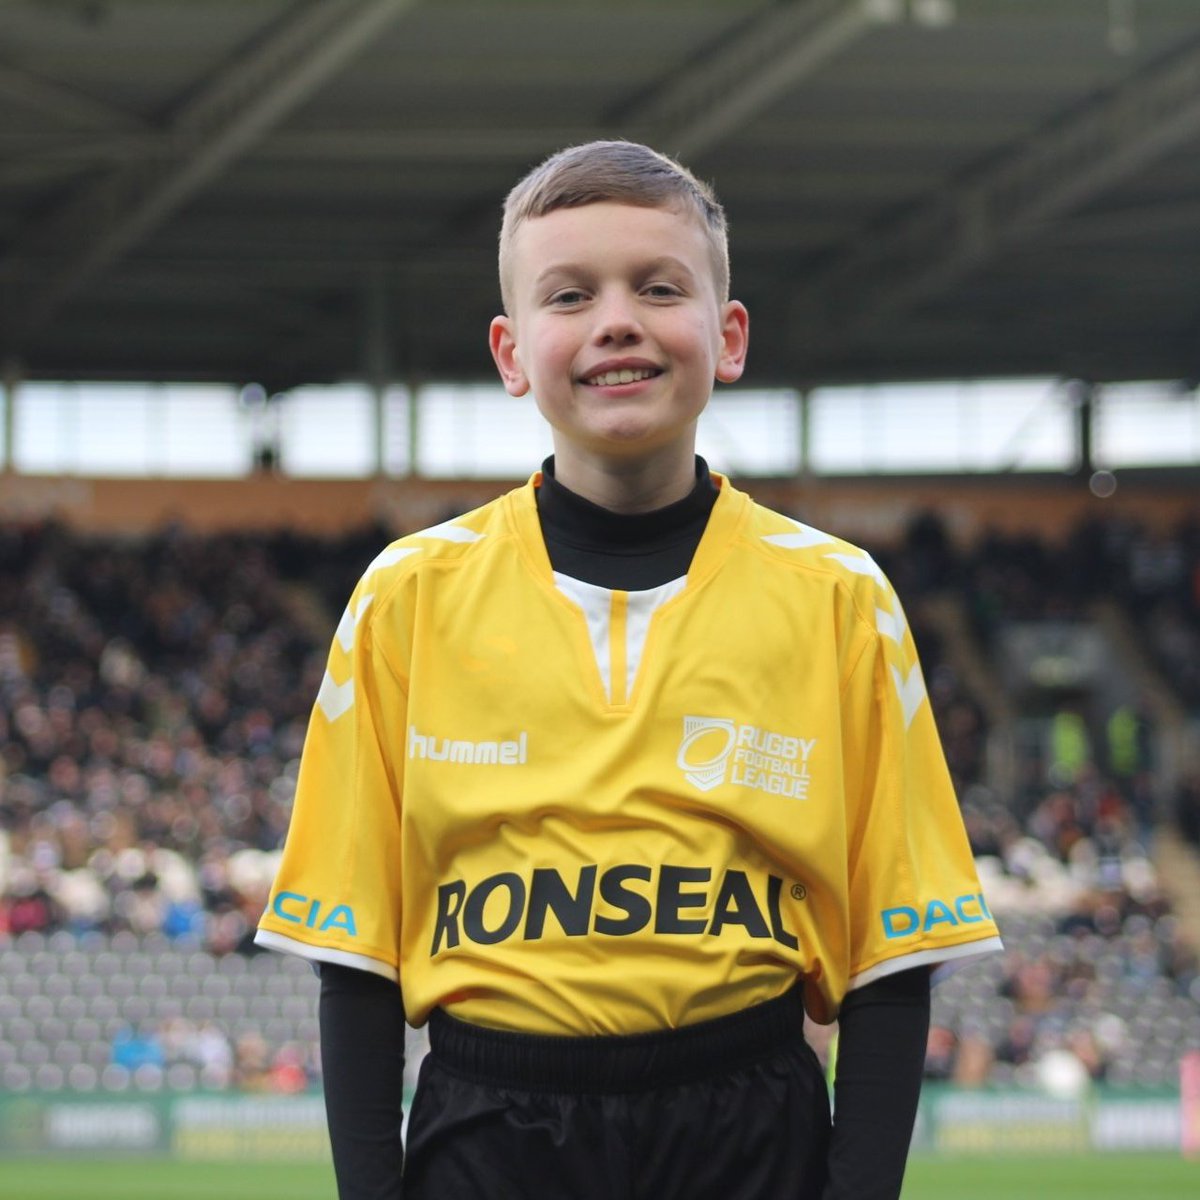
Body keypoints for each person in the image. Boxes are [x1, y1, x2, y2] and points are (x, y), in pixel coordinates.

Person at [256, 140, 1002, 1199]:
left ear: (727, 336)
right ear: (512, 355)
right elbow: (359, 962)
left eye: (659, 287)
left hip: (747, 1119)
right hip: (489, 1125)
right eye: (571, 295)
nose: (617, 319)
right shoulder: (406, 596)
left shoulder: (841, 597)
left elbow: (891, 959)